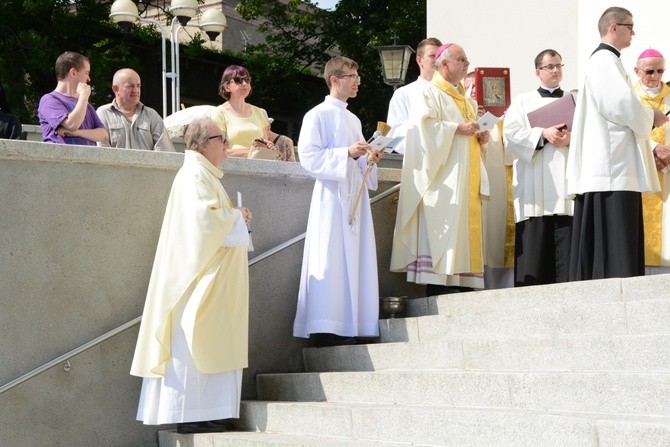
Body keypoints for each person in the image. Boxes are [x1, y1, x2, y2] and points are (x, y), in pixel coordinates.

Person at [130, 117, 252, 434]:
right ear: (201, 143)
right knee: (192, 342)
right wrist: (236, 217)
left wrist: (236, 218)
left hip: (211, 278)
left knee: (207, 340)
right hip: (194, 281)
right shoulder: (194, 175)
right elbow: (203, 224)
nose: (226, 142)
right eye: (220, 137)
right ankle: (189, 413)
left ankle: (206, 411)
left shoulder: (206, 174)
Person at [566, 7, 668, 280]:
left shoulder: (609, 61)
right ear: (613, 27)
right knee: (616, 231)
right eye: (629, 26)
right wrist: (651, 116)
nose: (633, 32)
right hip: (612, 165)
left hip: (616, 161)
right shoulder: (603, 61)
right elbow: (619, 104)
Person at [293, 56, 383, 347]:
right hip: (331, 198)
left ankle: (352, 323)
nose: (357, 82)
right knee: (330, 258)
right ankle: (327, 328)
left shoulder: (353, 118)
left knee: (355, 260)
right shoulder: (316, 115)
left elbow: (356, 162)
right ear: (335, 79)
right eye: (352, 76)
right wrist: (345, 152)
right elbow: (308, 157)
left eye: (358, 76)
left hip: (353, 198)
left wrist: (368, 159)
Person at [390, 43, 490, 295]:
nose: (467, 63)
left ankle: (463, 286)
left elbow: (468, 133)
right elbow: (423, 131)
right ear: (444, 64)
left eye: (466, 58)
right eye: (461, 59)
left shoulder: (465, 101)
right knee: (443, 240)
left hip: (464, 182)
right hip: (442, 183)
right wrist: (456, 129)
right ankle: (439, 292)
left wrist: (480, 139)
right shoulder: (429, 93)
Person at [503, 49, 574, 286]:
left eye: (559, 66)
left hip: (567, 185)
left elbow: (592, 136)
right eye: (550, 66)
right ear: (537, 72)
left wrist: (570, 139)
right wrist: (542, 134)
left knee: (567, 238)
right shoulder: (523, 102)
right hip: (535, 184)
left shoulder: (576, 101)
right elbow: (510, 135)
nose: (555, 70)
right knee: (536, 244)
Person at [465, 72, 515, 289]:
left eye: (478, 89)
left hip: (501, 185)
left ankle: (505, 284)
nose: (475, 93)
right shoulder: (463, 117)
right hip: (473, 186)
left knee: (498, 232)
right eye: (470, 88)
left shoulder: (502, 120)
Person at [633, 48, 670, 274]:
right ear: (637, 71)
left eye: (660, 70)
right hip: (639, 171)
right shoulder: (628, 96)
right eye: (649, 71)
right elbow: (624, 132)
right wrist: (654, 150)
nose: (655, 76)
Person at [37, 51, 108, 145]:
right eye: (86, 73)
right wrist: (83, 96)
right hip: (61, 158)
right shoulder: (49, 100)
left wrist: (77, 133)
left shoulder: (86, 105)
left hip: (86, 159)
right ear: (73, 73)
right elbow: (72, 124)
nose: (88, 79)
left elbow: (103, 135)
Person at [385, 37, 442, 155]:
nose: (437, 60)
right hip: (419, 161)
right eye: (432, 56)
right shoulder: (404, 94)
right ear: (419, 60)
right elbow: (395, 134)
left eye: (440, 56)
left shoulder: (451, 92)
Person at [210, 65, 280, 159]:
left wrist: (268, 146)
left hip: (259, 165)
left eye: (247, 80)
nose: (244, 83)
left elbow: (265, 145)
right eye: (238, 80)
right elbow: (218, 149)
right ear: (227, 87)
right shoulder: (219, 113)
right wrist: (252, 152)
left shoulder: (259, 112)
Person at [97, 68, 174, 151]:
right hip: (114, 164)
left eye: (138, 86)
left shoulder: (152, 115)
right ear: (116, 89)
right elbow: (102, 151)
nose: (136, 90)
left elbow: (164, 151)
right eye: (130, 86)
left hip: (148, 164)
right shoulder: (104, 114)